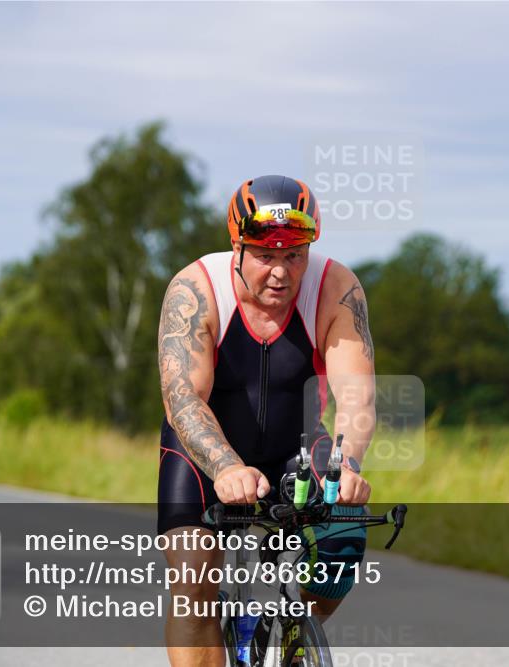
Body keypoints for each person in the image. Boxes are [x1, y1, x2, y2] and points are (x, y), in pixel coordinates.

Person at [157, 175, 376, 667]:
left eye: (293, 255)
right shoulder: (196, 289)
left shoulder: (336, 288)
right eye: (264, 255)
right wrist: (226, 467)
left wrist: (348, 467)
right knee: (194, 577)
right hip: (203, 449)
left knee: (343, 540)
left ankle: (298, 636)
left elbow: (356, 397)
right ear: (237, 246)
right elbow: (183, 398)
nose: (280, 272)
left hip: (295, 444)